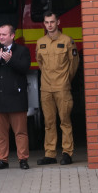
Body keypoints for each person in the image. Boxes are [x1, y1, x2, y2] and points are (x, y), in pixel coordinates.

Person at [35, 12, 80, 166]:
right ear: (44, 23)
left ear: (58, 22)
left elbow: (73, 64)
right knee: (49, 122)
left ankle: (67, 153)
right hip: (46, 88)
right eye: (47, 22)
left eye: (52, 22)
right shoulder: (40, 42)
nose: (49, 25)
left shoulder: (67, 41)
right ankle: (50, 154)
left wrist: (66, 80)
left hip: (62, 87)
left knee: (65, 121)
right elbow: (40, 63)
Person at [0, 24, 31, 170]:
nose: (0, 37)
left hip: (16, 98)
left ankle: (23, 159)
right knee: (0, 134)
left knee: (20, 132)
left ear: (12, 36)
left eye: (4, 34)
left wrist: (10, 60)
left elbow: (25, 68)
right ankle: (2, 160)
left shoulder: (22, 50)